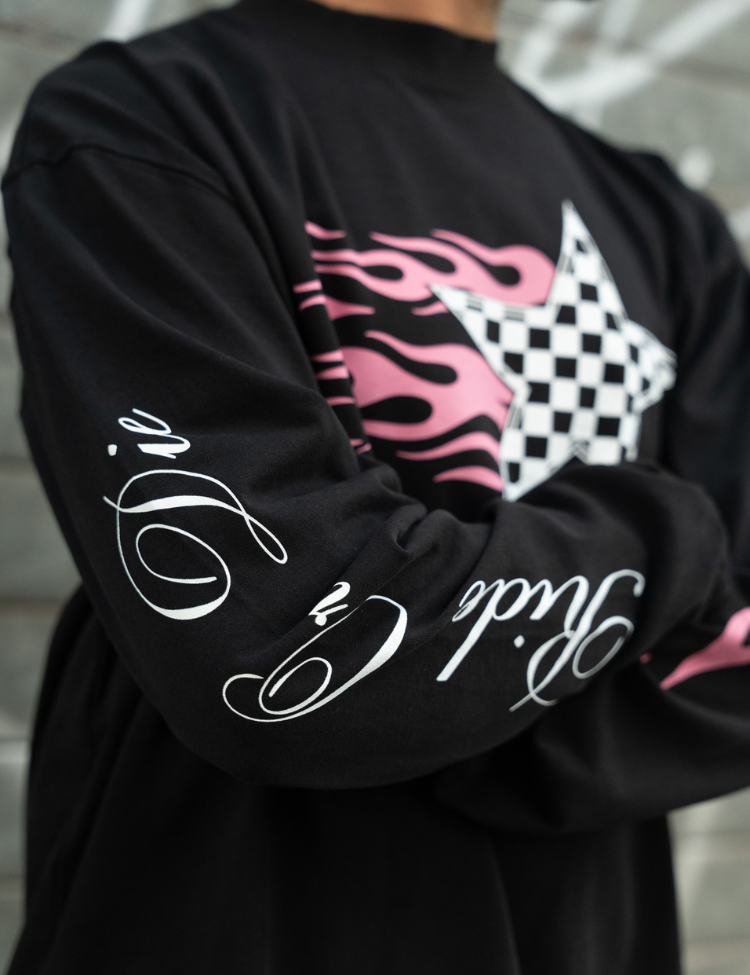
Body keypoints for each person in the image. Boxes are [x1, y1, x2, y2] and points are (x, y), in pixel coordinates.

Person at [3, 0, 750, 971]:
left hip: (583, 936)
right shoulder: (147, 121)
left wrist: (425, 690)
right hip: (231, 923)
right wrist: (664, 536)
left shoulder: (663, 219)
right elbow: (276, 649)